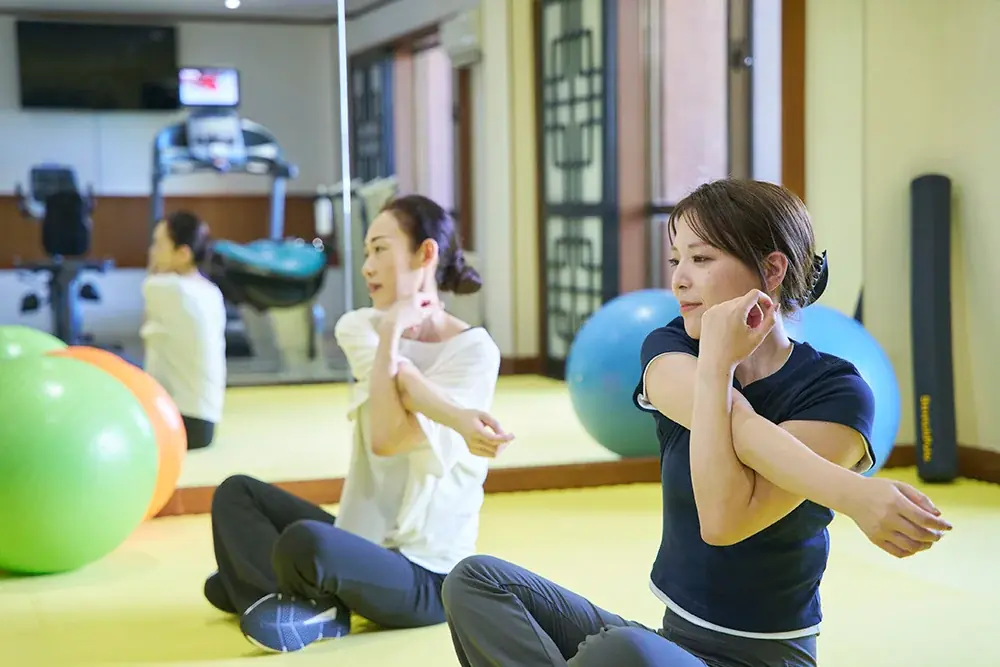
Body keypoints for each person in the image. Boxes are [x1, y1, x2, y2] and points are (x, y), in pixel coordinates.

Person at [441, 179, 954, 667]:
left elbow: (723, 521)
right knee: (476, 580)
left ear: (772, 270)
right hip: (675, 644)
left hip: (766, 658)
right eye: (676, 259)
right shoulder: (670, 347)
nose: (679, 279)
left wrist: (714, 369)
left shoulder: (838, 393)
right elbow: (741, 427)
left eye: (701, 258)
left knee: (619, 653)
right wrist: (854, 494)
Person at [206, 194, 515, 654]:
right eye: (366, 252)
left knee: (302, 544)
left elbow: (388, 438)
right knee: (237, 494)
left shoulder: (474, 350)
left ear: (425, 253)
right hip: (361, 540)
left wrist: (394, 353)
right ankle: (288, 600)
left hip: (426, 575)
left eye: (380, 249)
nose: (367, 267)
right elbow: (401, 383)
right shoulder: (359, 325)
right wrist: (398, 342)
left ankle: (280, 595)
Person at [143, 211, 227, 451]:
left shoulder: (163, 288)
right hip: (205, 421)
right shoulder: (211, 291)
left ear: (183, 254)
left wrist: (153, 270)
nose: (152, 251)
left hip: (178, 421)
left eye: (159, 244)